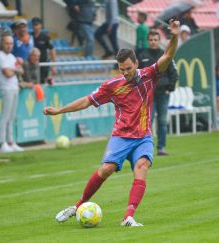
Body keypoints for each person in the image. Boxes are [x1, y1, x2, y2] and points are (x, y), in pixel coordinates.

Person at [43, 20, 181, 227]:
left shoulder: (149, 75)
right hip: (121, 136)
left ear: (135, 64)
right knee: (106, 169)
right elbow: (87, 101)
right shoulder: (112, 86)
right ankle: (77, 205)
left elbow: (168, 56)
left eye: (128, 68)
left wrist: (175, 36)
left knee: (142, 166)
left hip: (143, 136)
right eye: (121, 69)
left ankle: (128, 217)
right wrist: (60, 110)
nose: (125, 73)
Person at [138, 29, 178, 156]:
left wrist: (169, 88)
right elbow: (137, 75)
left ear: (159, 41)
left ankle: (161, 148)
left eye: (155, 40)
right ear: (147, 41)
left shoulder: (165, 55)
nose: (153, 42)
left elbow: (174, 73)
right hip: (148, 94)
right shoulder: (142, 56)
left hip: (163, 94)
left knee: (162, 121)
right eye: (151, 40)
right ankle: (146, 149)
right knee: (148, 122)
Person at [0, 34, 24, 152]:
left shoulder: (12, 57)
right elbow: (7, 73)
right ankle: (2, 143)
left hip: (15, 87)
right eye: (7, 43)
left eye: (11, 43)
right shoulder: (0, 56)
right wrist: (15, 70)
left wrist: (14, 70)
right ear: (2, 43)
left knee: (12, 117)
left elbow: (20, 70)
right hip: (6, 88)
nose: (9, 46)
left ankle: (11, 142)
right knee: (5, 116)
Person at [32, 17, 57, 84]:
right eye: (34, 25)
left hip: (43, 64)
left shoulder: (45, 37)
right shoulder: (30, 37)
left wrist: (54, 65)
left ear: (40, 25)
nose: (35, 27)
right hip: (33, 64)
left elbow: (52, 50)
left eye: (36, 25)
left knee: (43, 82)